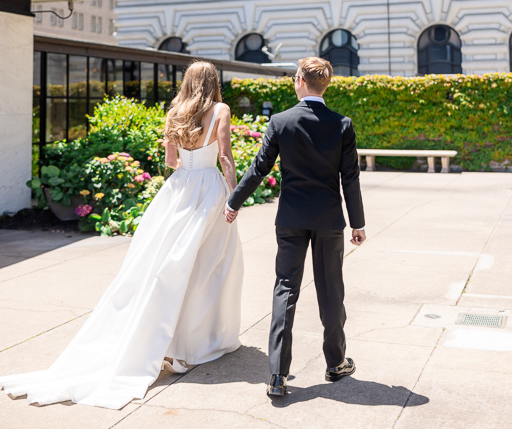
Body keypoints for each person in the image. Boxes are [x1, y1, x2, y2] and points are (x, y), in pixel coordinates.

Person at [0, 61, 243, 410]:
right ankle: (193, 344)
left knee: (165, 267)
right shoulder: (221, 109)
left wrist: (180, 152)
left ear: (188, 82)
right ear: (213, 81)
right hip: (208, 192)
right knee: (207, 268)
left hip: (177, 193)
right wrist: (233, 195)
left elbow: (172, 163)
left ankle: (170, 342)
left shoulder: (174, 111)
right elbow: (224, 157)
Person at [225, 56, 366, 397]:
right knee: (331, 290)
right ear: (325, 84)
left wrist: (234, 202)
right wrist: (357, 223)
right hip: (329, 219)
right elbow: (350, 178)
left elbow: (259, 169)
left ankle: (277, 375)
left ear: (301, 80)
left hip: (290, 218)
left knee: (285, 289)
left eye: (294, 77)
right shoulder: (342, 124)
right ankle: (336, 363)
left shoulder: (280, 121)